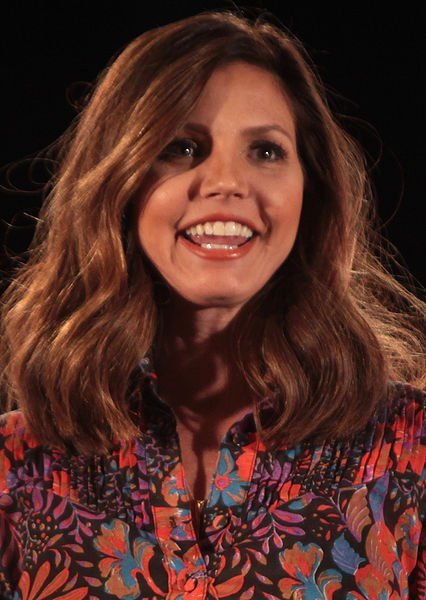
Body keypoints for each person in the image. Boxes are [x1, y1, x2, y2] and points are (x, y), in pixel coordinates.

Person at [0, 10, 424, 599]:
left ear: (312, 192)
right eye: (181, 147)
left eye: (267, 152)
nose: (226, 182)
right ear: (116, 184)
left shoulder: (411, 451)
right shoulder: (14, 474)